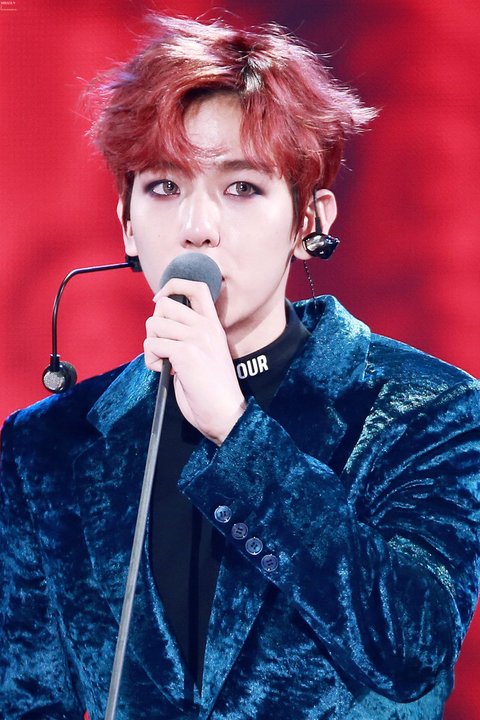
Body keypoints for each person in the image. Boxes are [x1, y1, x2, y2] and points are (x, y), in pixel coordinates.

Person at [1, 14, 479, 720]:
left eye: (242, 187)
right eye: (164, 187)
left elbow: (411, 649)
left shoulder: (427, 408)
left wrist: (234, 429)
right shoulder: (47, 444)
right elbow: (27, 697)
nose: (198, 227)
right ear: (127, 223)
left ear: (310, 221)